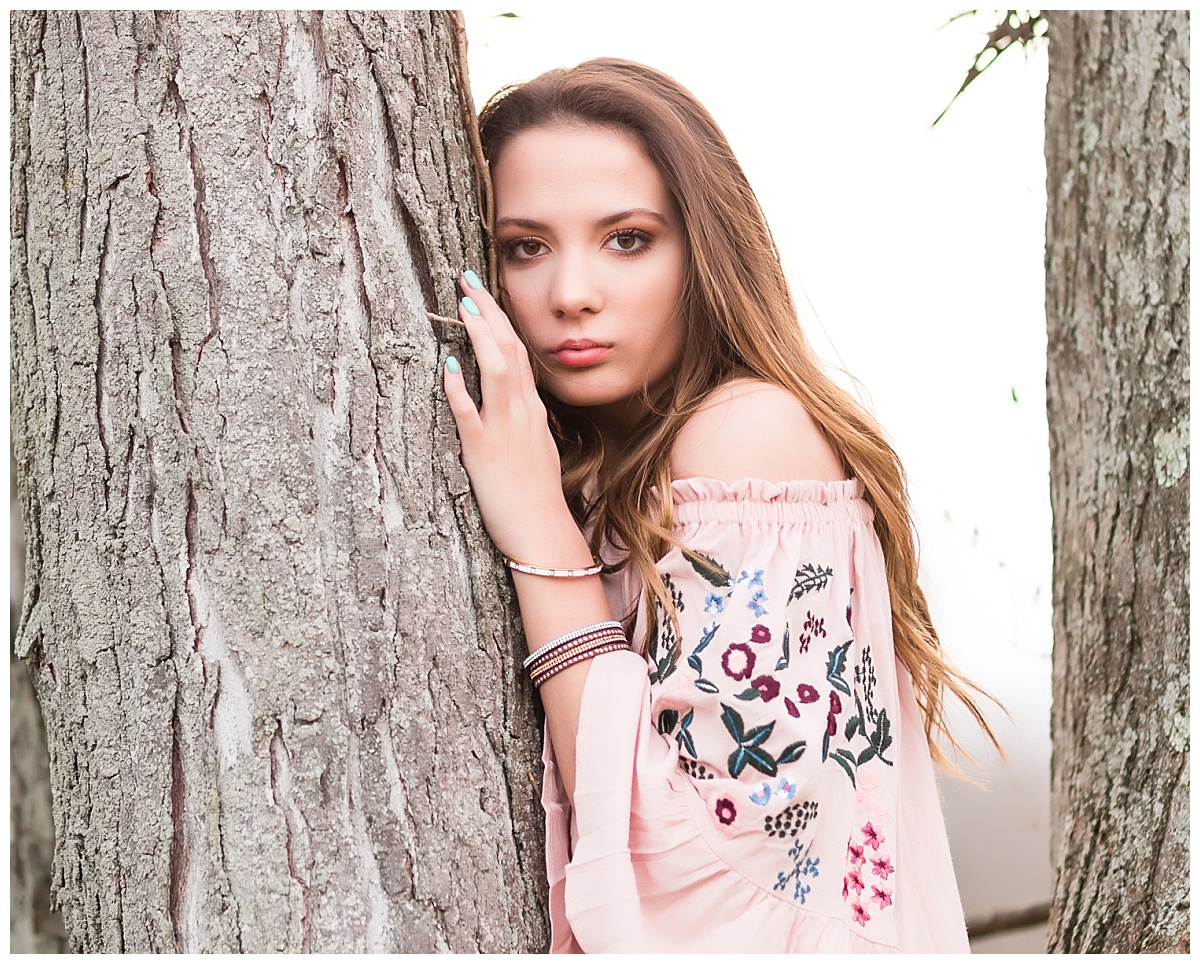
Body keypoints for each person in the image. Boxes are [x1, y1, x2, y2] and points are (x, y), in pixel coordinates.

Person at [439, 57, 996, 953]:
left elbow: (721, 867)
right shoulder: (603, 463)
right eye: (524, 247)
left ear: (705, 250)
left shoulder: (750, 438)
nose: (570, 293)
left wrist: (537, 523)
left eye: (627, 238)